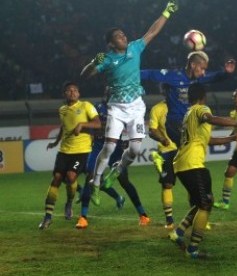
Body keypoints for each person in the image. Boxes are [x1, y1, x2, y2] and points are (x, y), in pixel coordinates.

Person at [80, 0, 178, 204]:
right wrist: (93, 63)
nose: (123, 36)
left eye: (123, 33)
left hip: (136, 107)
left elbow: (152, 31)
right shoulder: (106, 59)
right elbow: (85, 75)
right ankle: (95, 184)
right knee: (108, 148)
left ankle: (114, 173)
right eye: (118, 36)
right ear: (111, 43)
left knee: (134, 150)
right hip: (116, 108)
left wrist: (166, 13)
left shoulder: (135, 48)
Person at [167, 83, 237, 259]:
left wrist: (233, 137)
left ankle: (179, 231)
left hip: (186, 163)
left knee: (206, 201)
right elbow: (210, 118)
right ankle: (193, 249)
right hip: (192, 164)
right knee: (205, 204)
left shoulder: (188, 114)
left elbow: (208, 140)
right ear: (203, 96)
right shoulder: (201, 109)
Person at [76, 91, 151, 229]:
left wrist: (126, 140)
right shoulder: (97, 107)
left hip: (116, 148)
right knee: (89, 177)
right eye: (108, 92)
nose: (110, 94)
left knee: (124, 180)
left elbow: (130, 126)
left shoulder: (123, 107)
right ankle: (83, 217)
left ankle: (143, 215)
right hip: (99, 146)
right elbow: (96, 125)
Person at [38, 82, 101, 229]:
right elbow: (63, 127)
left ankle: (69, 203)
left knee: (71, 176)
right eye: (69, 90)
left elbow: (98, 124)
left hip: (82, 150)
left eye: (75, 91)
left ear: (79, 94)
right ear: (64, 94)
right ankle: (48, 217)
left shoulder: (86, 106)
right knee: (57, 179)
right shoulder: (62, 110)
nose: (72, 93)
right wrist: (55, 142)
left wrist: (82, 125)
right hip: (64, 151)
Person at [141, 50, 236, 147]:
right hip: (175, 123)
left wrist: (227, 73)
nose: (203, 73)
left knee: (191, 150)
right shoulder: (173, 76)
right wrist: (129, 74)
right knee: (194, 144)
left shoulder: (199, 78)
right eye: (202, 68)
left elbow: (214, 77)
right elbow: (149, 74)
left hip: (189, 122)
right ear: (193, 65)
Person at [148, 86, 178, 230]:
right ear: (164, 92)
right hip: (167, 150)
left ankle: (198, 216)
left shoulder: (185, 106)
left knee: (193, 184)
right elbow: (152, 130)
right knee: (167, 185)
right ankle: (169, 220)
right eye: (168, 90)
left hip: (184, 150)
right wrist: (162, 138)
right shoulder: (157, 109)